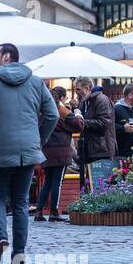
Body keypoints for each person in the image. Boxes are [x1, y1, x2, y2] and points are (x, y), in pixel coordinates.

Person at [0, 43, 58, 264]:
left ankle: (1, 238)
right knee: (21, 202)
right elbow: (53, 115)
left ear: (7, 57)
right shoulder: (36, 81)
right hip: (28, 150)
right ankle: (19, 256)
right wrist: (39, 140)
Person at [36, 86, 82, 224]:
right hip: (61, 150)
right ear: (61, 98)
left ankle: (39, 211)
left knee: (48, 182)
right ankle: (54, 212)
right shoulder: (62, 110)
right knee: (57, 182)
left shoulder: (43, 111)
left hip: (46, 150)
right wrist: (78, 114)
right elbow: (78, 125)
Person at [73, 76, 115, 189]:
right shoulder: (84, 102)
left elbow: (105, 123)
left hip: (101, 150)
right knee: (88, 185)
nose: (76, 92)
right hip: (89, 149)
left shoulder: (102, 100)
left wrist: (83, 121)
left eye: (77, 89)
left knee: (100, 185)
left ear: (86, 88)